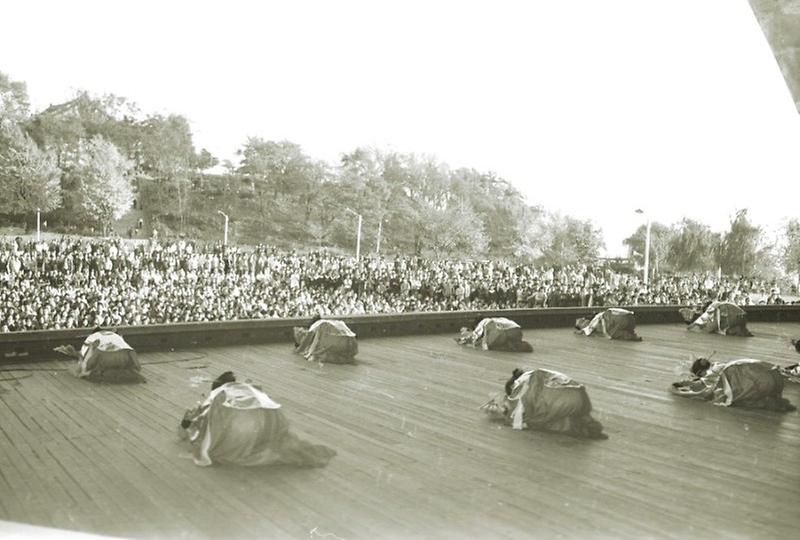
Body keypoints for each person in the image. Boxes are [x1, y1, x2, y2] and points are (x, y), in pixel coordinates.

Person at [179, 371, 336, 467]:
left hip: (241, 433)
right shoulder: (251, 389)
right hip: (269, 426)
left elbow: (194, 431)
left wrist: (188, 421)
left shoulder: (218, 397)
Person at [481, 367, 606, 439]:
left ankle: (576, 426)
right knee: (545, 412)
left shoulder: (520, 387)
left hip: (566, 401)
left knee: (538, 421)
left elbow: (518, 421)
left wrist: (503, 412)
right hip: (581, 396)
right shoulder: (534, 373)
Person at [671, 357, 795, 411]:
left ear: (702, 371)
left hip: (760, 382)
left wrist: (682, 389)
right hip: (773, 379)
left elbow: (702, 389)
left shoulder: (713, 373)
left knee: (729, 395)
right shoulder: (721, 365)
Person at [54, 327, 144, 383]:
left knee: (80, 367)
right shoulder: (114, 335)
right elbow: (130, 350)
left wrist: (83, 369)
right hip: (127, 357)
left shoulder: (92, 337)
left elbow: (85, 357)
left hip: (105, 358)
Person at [293, 316, 358, 364]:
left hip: (340, 342)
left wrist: (298, 350)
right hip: (351, 343)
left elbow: (305, 343)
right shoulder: (329, 323)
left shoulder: (318, 325)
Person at [456, 316, 533, 352]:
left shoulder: (484, 322)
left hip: (506, 332)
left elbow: (476, 335)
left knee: (489, 344)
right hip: (517, 331)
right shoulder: (494, 319)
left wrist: (463, 340)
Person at [680, 301, 752, 337]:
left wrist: (694, 325)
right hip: (742, 317)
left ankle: (737, 330)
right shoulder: (716, 305)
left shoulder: (712, 308)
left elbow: (710, 328)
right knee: (721, 329)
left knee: (717, 330)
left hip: (733, 317)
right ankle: (739, 329)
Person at [574, 308, 642, 341]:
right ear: (582, 327)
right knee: (610, 330)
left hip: (625, 319)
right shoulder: (590, 326)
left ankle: (630, 336)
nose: (585, 320)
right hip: (630, 320)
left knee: (609, 331)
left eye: (583, 319)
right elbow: (586, 331)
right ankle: (630, 335)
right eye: (582, 321)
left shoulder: (594, 322)